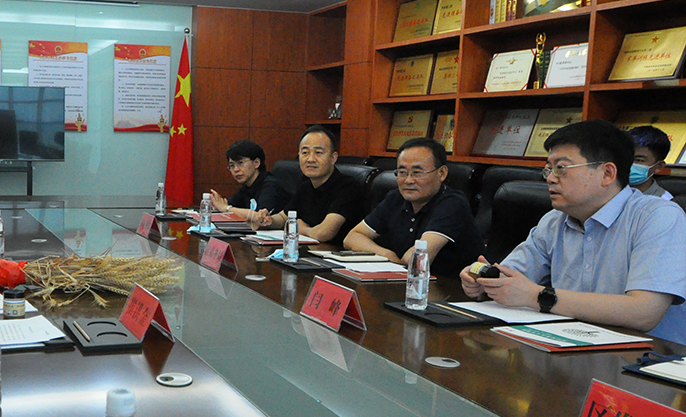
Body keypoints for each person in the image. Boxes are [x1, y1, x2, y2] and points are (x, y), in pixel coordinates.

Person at [461, 119, 686, 345]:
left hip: (647, 357)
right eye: (548, 169)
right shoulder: (554, 220)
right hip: (568, 346)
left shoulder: (658, 217)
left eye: (561, 168)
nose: (550, 178)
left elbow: (644, 312)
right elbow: (513, 280)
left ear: (607, 173)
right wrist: (484, 281)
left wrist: (539, 296)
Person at [344, 137, 483, 276]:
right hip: (408, 281)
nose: (408, 180)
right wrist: (387, 255)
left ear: (442, 173)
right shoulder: (395, 198)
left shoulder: (453, 204)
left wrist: (393, 261)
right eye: (402, 172)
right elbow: (352, 237)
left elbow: (417, 259)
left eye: (417, 173)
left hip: (453, 286)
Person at [251, 126, 361, 244]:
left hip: (334, 252)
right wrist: (267, 219)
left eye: (318, 153)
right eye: (305, 153)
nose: (310, 159)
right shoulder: (306, 185)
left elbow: (323, 233)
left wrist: (302, 229)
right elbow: (284, 217)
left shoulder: (348, 187)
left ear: (333, 158)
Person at [209, 140, 290, 219]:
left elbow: (260, 217)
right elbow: (230, 206)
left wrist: (226, 208)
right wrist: (217, 205)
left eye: (240, 163)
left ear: (256, 163)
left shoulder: (271, 186)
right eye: (232, 165)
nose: (235, 169)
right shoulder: (247, 187)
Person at [628, 125, 674, 200]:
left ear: (659, 166)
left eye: (639, 160)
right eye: (625, 157)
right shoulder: (610, 192)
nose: (628, 163)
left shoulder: (663, 202)